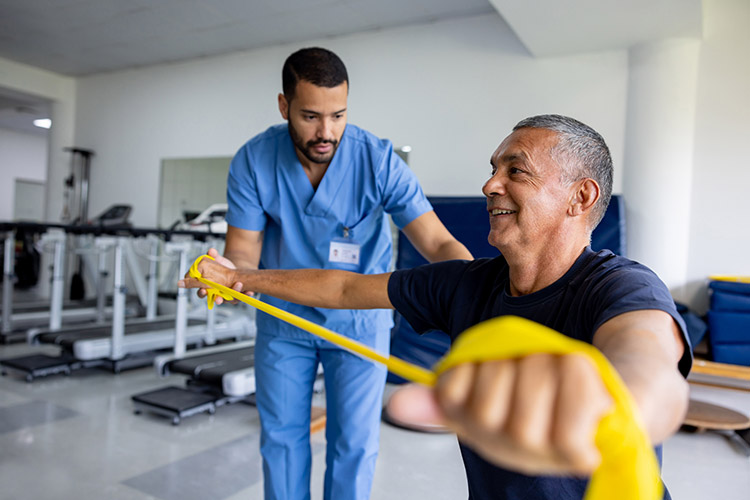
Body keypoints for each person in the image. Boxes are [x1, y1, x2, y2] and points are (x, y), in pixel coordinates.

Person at [181, 114, 692, 500]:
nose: (491, 184)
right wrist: (239, 276)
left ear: (580, 197)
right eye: (493, 169)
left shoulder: (620, 285)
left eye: (517, 170)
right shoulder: (465, 285)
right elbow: (341, 290)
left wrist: (606, 398)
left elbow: (647, 366)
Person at [211, 47, 472, 500]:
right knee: (281, 439)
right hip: (283, 321)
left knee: (353, 445)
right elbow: (243, 250)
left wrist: (477, 290)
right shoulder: (254, 160)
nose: (326, 132)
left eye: (338, 115)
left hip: (359, 321)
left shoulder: (378, 160)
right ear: (283, 105)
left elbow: (436, 242)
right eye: (310, 116)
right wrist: (230, 274)